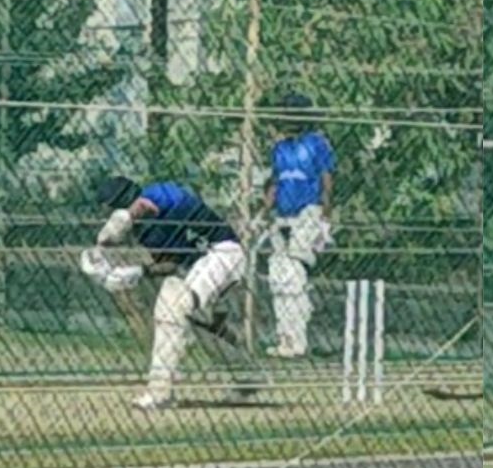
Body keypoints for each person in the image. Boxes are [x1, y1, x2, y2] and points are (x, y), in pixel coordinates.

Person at [82, 175, 262, 411]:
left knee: (175, 307)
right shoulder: (145, 233)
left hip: (223, 253)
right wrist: (134, 273)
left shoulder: (157, 192)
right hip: (197, 267)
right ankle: (247, 377)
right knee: (188, 318)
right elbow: (169, 264)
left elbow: (150, 203)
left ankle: (160, 394)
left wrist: (126, 216)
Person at [263, 92, 336, 358]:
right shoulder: (280, 149)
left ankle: (298, 340)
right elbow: (275, 182)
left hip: (309, 210)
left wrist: (325, 217)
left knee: (294, 273)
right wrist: (263, 212)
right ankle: (284, 338)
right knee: (277, 274)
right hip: (283, 213)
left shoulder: (317, 143)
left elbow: (327, 179)